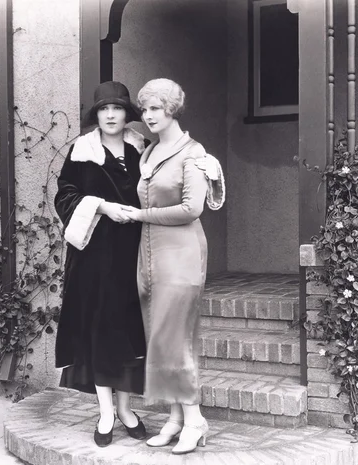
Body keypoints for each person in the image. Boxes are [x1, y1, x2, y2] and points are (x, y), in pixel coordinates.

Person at [123, 78, 223, 455]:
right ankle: (176, 418)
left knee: (176, 339)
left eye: (156, 108)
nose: (148, 115)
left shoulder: (193, 153)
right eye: (144, 108)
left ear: (172, 110)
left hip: (181, 254)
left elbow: (191, 209)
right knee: (160, 340)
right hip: (149, 256)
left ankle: (195, 420)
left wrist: (139, 214)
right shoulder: (148, 152)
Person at [54, 81, 148, 447]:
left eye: (117, 108)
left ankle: (126, 409)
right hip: (94, 254)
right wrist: (102, 206)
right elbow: (66, 196)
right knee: (100, 328)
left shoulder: (141, 150)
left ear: (127, 114)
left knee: (129, 329)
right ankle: (107, 412)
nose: (110, 115)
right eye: (104, 109)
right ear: (96, 115)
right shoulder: (81, 151)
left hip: (134, 252)